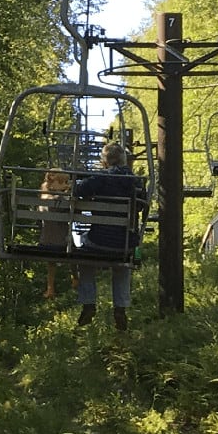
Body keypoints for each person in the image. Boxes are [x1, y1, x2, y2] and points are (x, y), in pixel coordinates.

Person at [73, 142, 144, 331]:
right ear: (124, 160)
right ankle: (120, 308)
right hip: (125, 244)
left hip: (98, 242)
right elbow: (142, 204)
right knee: (122, 265)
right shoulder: (135, 181)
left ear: (104, 162)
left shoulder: (100, 177)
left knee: (84, 259)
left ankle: (89, 303)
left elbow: (78, 190)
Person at [38, 169, 78, 299]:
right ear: (52, 183)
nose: (66, 185)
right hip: (61, 243)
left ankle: (50, 287)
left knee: (51, 262)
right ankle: (75, 277)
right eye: (62, 182)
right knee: (71, 246)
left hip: (45, 242)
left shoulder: (43, 198)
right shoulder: (59, 200)